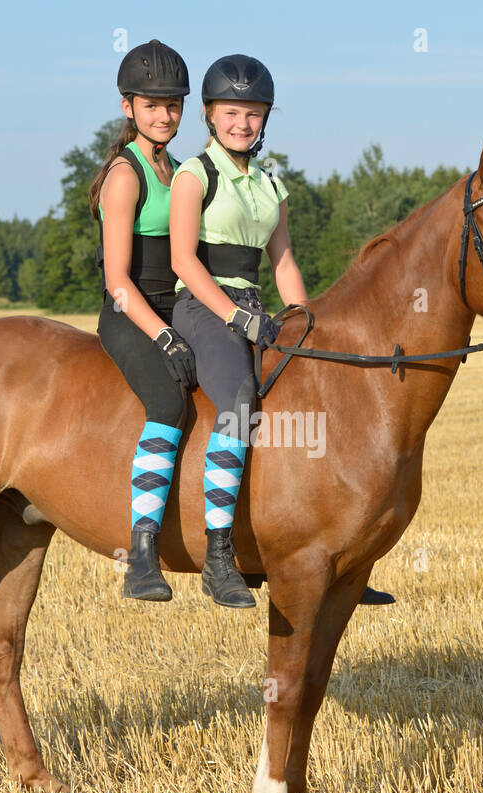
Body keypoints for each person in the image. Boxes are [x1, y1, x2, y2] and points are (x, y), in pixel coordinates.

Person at [168, 54, 301, 609]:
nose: (242, 123)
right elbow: (181, 260)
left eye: (252, 113)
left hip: (256, 306)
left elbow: (284, 261)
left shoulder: (272, 183)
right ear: (209, 115)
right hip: (202, 307)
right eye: (231, 112)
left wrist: (301, 321)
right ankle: (219, 556)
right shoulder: (194, 174)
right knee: (240, 400)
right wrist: (232, 315)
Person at [92, 39, 196, 602]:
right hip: (131, 314)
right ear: (127, 106)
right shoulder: (126, 174)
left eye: (173, 104)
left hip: (176, 308)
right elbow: (117, 281)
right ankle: (141, 553)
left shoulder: (179, 170)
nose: (164, 115)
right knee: (167, 402)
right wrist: (164, 336)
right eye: (152, 105)